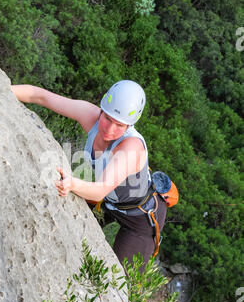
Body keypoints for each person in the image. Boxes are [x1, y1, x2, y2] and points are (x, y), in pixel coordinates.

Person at [11, 80, 167, 270]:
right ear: (102, 109)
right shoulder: (90, 116)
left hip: (139, 218)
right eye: (108, 118)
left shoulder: (130, 148)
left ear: (129, 126)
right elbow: (40, 96)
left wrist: (72, 184)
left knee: (121, 284)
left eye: (119, 125)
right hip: (109, 203)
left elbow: (99, 190)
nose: (109, 129)